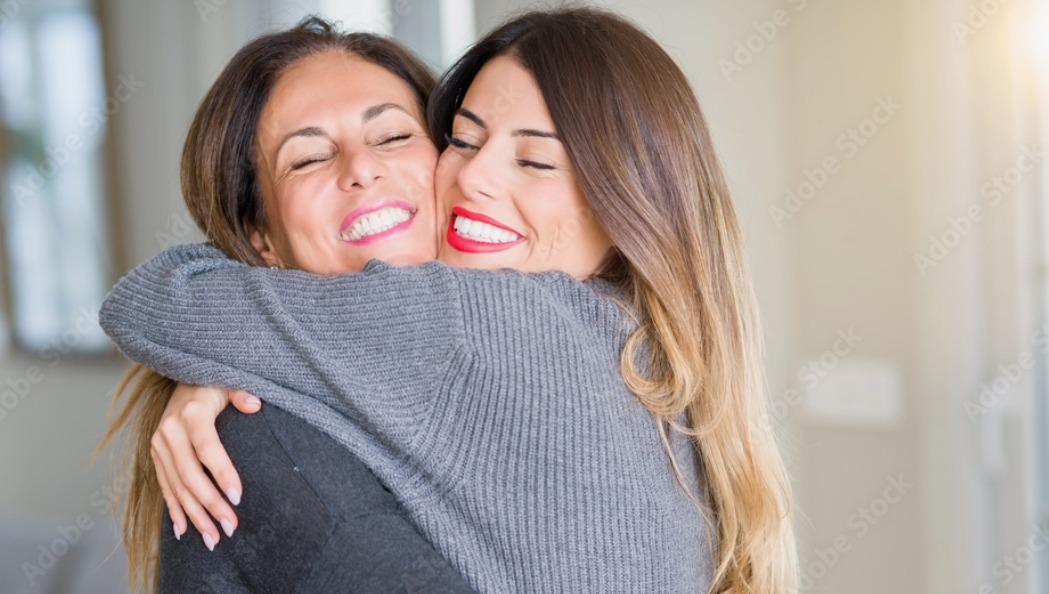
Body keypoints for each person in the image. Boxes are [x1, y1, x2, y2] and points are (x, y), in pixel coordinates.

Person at [104, 7, 799, 593]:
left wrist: (219, 354)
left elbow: (154, 303)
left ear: (624, 206)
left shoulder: (469, 320)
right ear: (260, 237)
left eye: (393, 135)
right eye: (463, 140)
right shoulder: (644, 343)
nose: (473, 177)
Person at [99, 17, 476, 593]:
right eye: (308, 158)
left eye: (392, 136)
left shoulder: (518, 333)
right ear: (262, 240)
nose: (362, 168)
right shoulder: (258, 433)